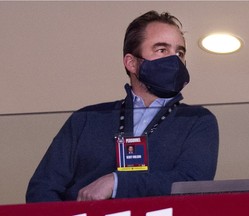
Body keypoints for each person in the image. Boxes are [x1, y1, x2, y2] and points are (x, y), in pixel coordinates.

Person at [26, 10, 219, 202]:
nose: (175, 59)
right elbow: (42, 189)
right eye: (162, 50)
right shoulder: (86, 118)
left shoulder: (197, 120)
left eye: (180, 52)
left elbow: (192, 183)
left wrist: (116, 182)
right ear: (131, 63)